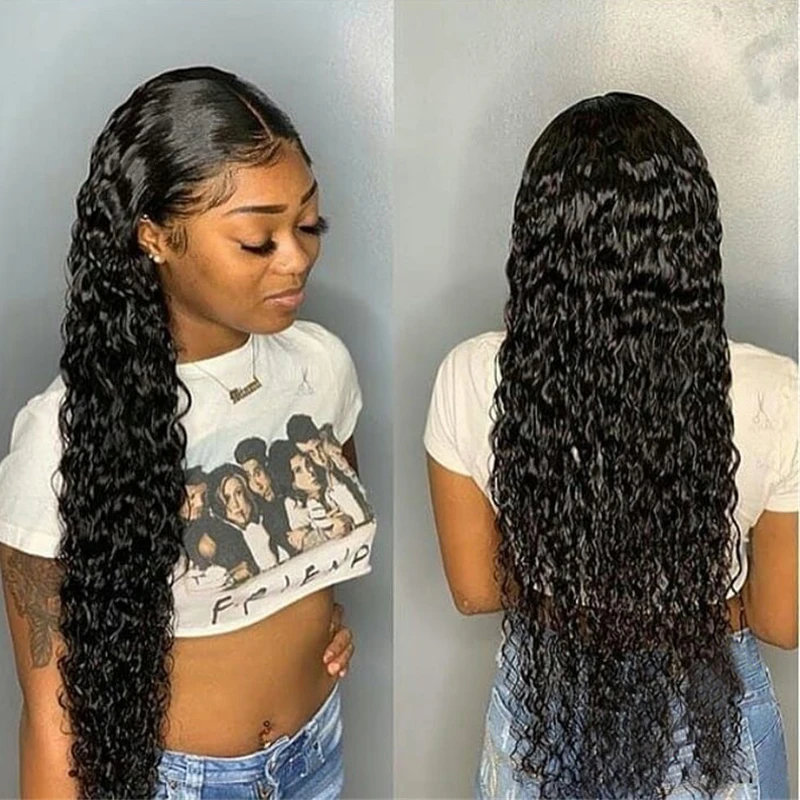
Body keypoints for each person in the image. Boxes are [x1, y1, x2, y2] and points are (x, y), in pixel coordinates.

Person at [0, 66, 377, 799]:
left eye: (309, 225)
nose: (298, 257)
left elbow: (317, 529)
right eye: (257, 240)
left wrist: (319, 621)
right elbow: (52, 719)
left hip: (316, 753)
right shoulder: (63, 435)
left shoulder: (321, 365)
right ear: (154, 237)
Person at [424, 93, 797, 799]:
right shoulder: (775, 391)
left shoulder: (471, 375)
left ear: (537, 235)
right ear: (691, 238)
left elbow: (476, 590)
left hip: (547, 696)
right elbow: (781, 619)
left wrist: (586, 594)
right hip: (709, 697)